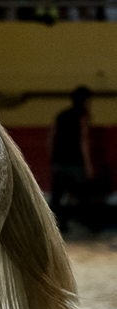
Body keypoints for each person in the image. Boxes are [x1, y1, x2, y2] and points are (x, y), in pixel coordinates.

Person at [47, 86, 96, 231]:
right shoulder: (83, 116)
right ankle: (87, 223)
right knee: (84, 195)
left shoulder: (61, 115)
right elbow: (83, 141)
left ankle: (55, 225)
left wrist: (54, 157)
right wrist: (88, 165)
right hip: (76, 161)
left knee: (57, 196)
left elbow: (50, 137)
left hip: (59, 160)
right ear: (85, 101)